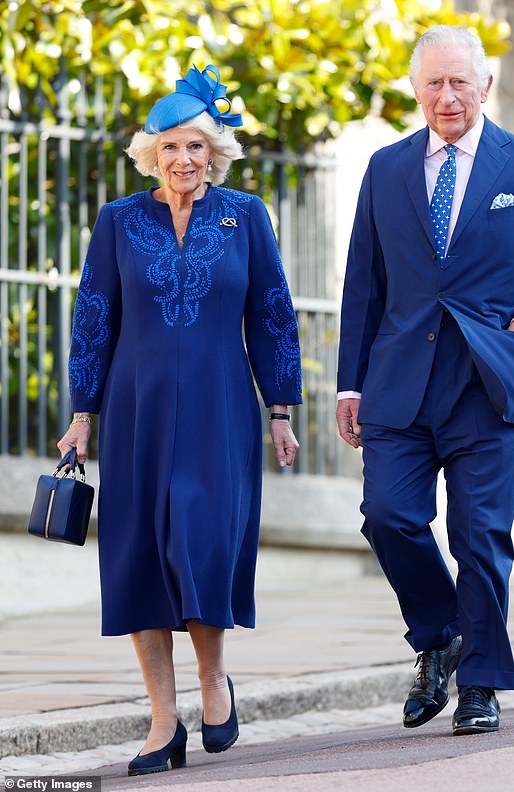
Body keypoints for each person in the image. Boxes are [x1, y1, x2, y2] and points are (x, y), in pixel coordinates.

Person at [336, 25, 514, 736]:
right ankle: (441, 635)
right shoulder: (385, 169)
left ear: (485, 87)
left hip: (491, 385)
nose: (447, 97)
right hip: (399, 384)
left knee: (480, 537)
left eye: (460, 83)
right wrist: (349, 385)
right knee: (388, 517)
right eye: (434, 84)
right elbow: (364, 284)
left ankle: (480, 684)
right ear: (416, 90)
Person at [56, 64, 302, 775]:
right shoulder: (119, 221)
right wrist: (82, 413)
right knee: (138, 553)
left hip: (220, 410)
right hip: (136, 411)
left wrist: (280, 409)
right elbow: (94, 317)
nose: (184, 160)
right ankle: (164, 721)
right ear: (151, 154)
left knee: (201, 542)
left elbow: (274, 317)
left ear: (214, 153)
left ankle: (212, 681)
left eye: (196, 146)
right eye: (171, 147)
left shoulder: (245, 216)